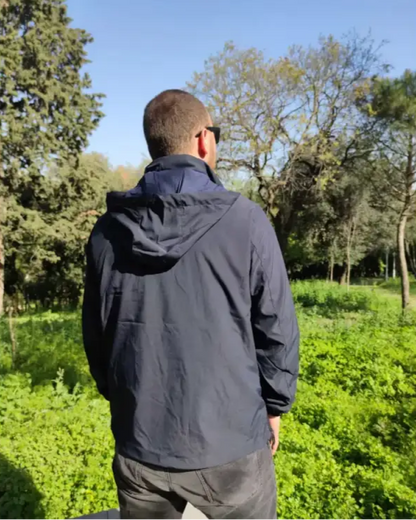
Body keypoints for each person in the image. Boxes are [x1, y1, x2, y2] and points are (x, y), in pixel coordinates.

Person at [82, 89, 299, 520]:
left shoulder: (107, 232)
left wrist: (126, 403)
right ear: (203, 139)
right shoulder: (246, 221)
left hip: (139, 443)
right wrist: (275, 406)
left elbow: (97, 336)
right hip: (232, 445)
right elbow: (276, 329)